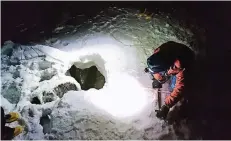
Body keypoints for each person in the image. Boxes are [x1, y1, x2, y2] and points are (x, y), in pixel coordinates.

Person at [144, 41, 195, 120]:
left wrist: (167, 105)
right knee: (153, 72)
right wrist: (156, 76)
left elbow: (180, 88)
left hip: (186, 62)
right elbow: (155, 64)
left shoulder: (181, 66)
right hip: (170, 63)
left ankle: (168, 78)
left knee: (173, 88)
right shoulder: (159, 53)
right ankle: (161, 76)